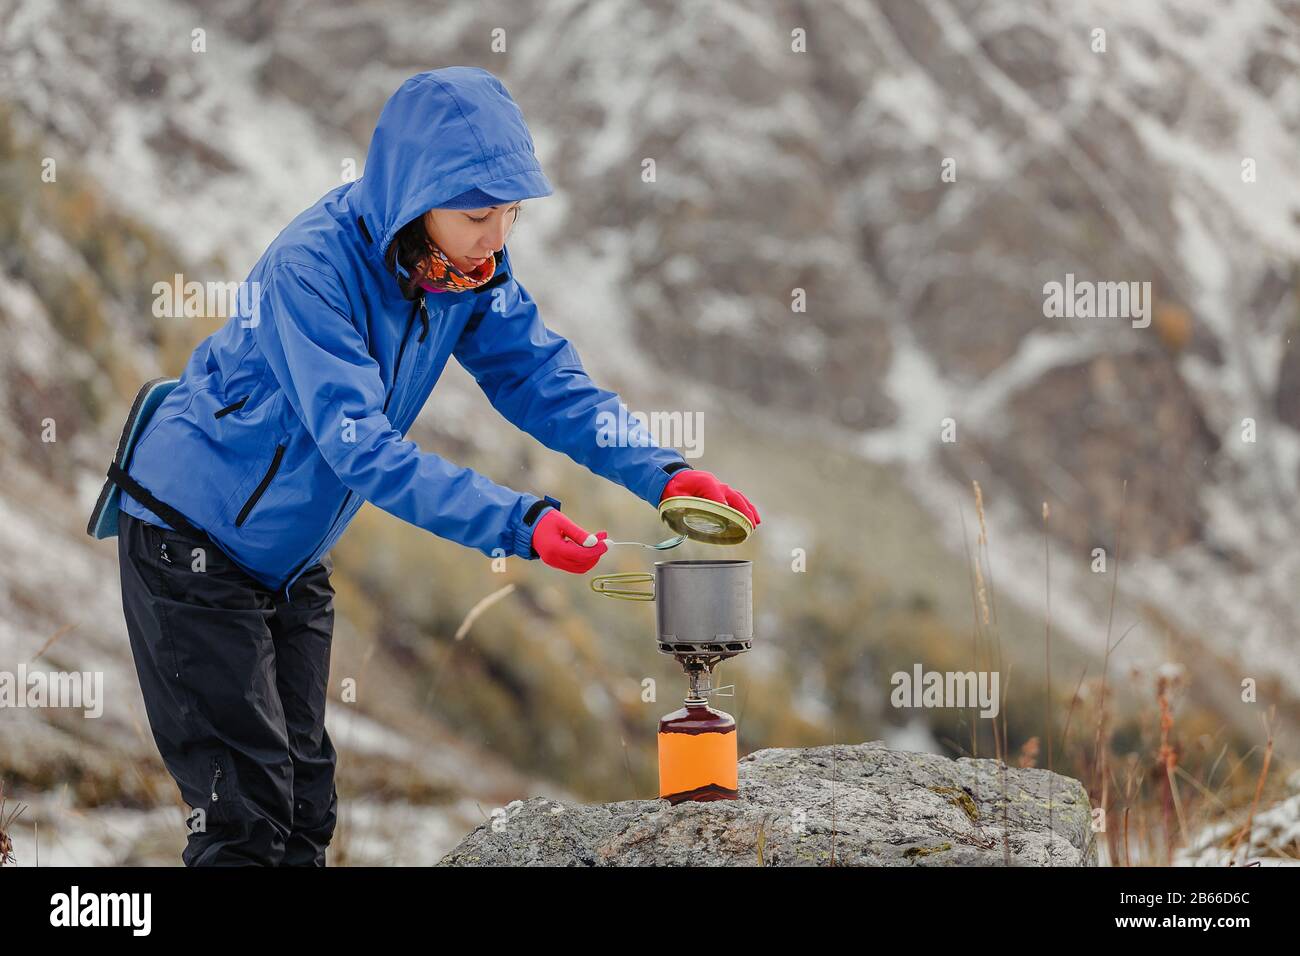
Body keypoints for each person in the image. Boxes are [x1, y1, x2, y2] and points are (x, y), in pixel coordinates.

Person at [113, 66, 760, 866]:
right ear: (415, 197)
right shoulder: (313, 270)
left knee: (305, 807)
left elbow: (540, 380)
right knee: (245, 818)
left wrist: (662, 474)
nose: (497, 237)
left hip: (287, 559)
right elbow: (366, 454)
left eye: (512, 214)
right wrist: (519, 524)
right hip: (190, 545)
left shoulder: (461, 272)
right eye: (479, 214)